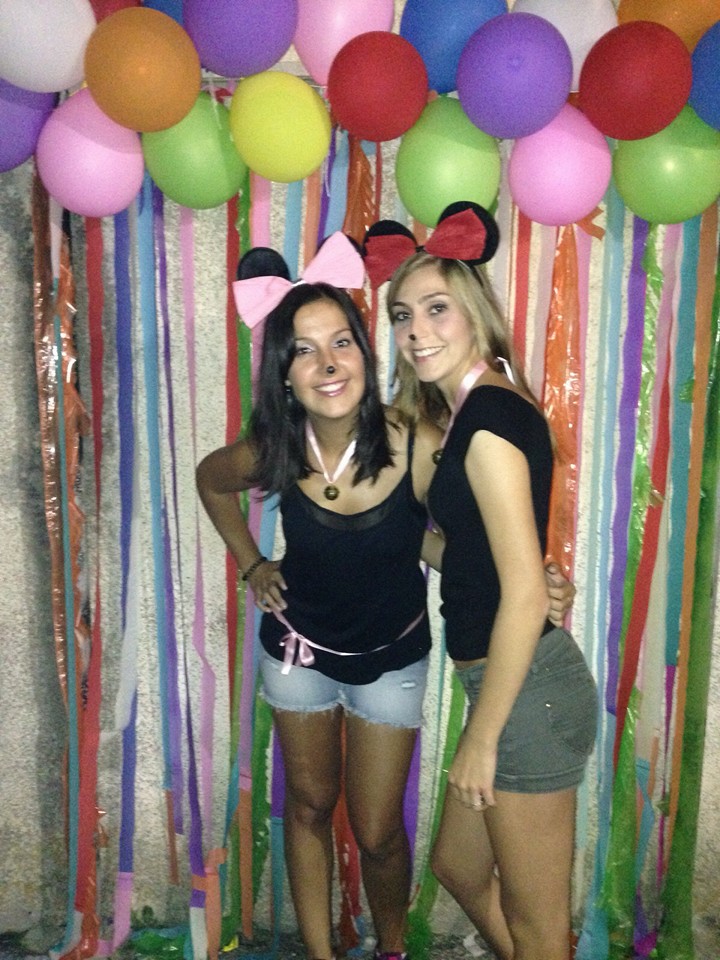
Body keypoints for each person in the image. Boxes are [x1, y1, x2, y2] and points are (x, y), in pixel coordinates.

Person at [196, 232, 575, 960]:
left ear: (365, 354)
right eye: (304, 350)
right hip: (298, 653)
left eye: (341, 342)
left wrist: (533, 581)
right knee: (309, 807)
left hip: (393, 657)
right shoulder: (275, 447)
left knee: (376, 832)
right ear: (283, 374)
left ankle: (391, 948)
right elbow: (211, 481)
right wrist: (252, 563)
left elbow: (453, 543)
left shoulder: (418, 438)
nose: (327, 363)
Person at [365, 202, 598, 960]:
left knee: (540, 928)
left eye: (436, 309)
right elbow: (474, 556)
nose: (416, 331)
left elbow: (524, 594)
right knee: (458, 867)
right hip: (507, 681)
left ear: (475, 313)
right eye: (403, 315)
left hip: (525, 693)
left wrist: (484, 738)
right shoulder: (476, 411)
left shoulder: (490, 420)